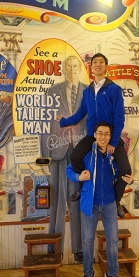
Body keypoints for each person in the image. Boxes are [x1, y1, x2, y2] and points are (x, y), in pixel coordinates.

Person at [56, 53, 131, 218]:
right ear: (91, 68)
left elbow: (119, 118)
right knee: (75, 157)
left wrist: (112, 142)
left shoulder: (114, 89)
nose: (97, 64)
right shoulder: (88, 92)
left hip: (110, 136)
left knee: (126, 170)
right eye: (94, 62)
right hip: (92, 135)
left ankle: (116, 201)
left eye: (101, 62)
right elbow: (81, 113)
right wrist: (64, 122)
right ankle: (83, 188)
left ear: (106, 67)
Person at [66, 122, 134, 277]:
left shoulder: (114, 155)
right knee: (87, 241)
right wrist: (78, 176)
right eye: (100, 133)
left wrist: (130, 180)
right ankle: (88, 275)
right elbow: (69, 170)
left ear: (110, 137)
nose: (103, 137)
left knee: (112, 242)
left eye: (107, 134)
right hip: (90, 204)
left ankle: (112, 275)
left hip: (110, 203)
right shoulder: (86, 153)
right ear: (94, 135)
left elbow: (123, 175)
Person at [41, 55, 88, 262]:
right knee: (57, 200)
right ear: (63, 69)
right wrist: (44, 158)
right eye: (67, 65)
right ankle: (55, 249)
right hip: (58, 151)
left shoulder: (88, 92)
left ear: (80, 68)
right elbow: (44, 126)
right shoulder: (52, 92)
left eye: (75, 65)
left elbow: (92, 121)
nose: (71, 68)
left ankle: (78, 249)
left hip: (80, 153)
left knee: (77, 200)